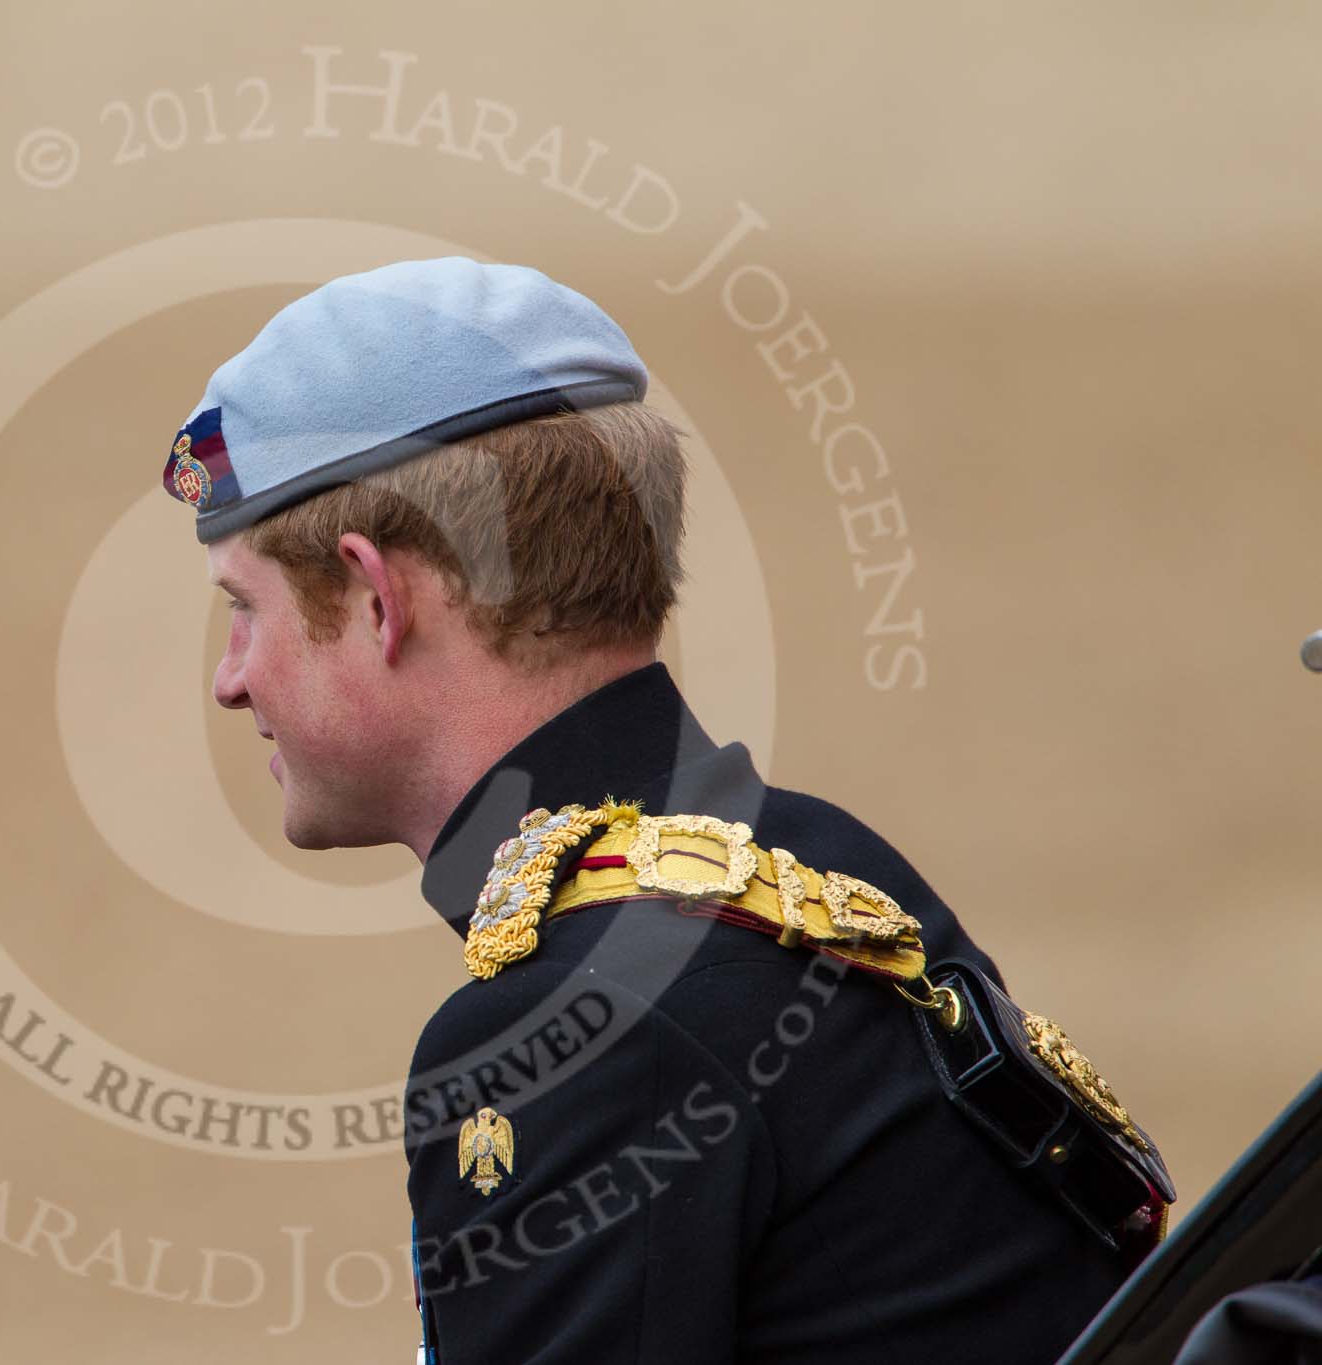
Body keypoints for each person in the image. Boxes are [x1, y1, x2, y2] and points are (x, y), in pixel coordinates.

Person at [162, 257, 1167, 1363]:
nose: (230, 676)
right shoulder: (812, 863)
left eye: (242, 609)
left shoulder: (584, 1023)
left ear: (373, 597)